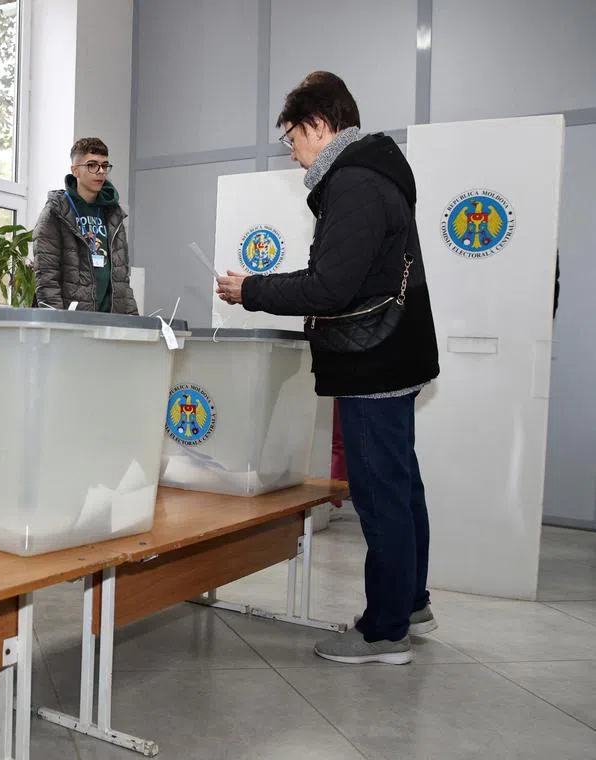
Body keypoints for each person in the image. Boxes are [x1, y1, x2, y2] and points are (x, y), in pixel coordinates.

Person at [216, 71, 440, 665]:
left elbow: (330, 287)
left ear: (319, 125)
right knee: (400, 482)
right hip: (393, 351)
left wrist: (253, 288)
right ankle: (410, 601)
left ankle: (385, 630)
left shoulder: (357, 183)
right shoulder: (374, 173)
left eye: (292, 137)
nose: (292, 153)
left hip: (374, 359)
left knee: (380, 490)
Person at [32, 137, 138, 314]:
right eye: (92, 165)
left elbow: (121, 279)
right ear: (75, 171)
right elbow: (47, 277)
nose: (100, 171)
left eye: (105, 165)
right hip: (71, 322)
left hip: (110, 322)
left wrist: (133, 321)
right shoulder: (55, 212)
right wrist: (56, 323)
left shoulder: (114, 215)